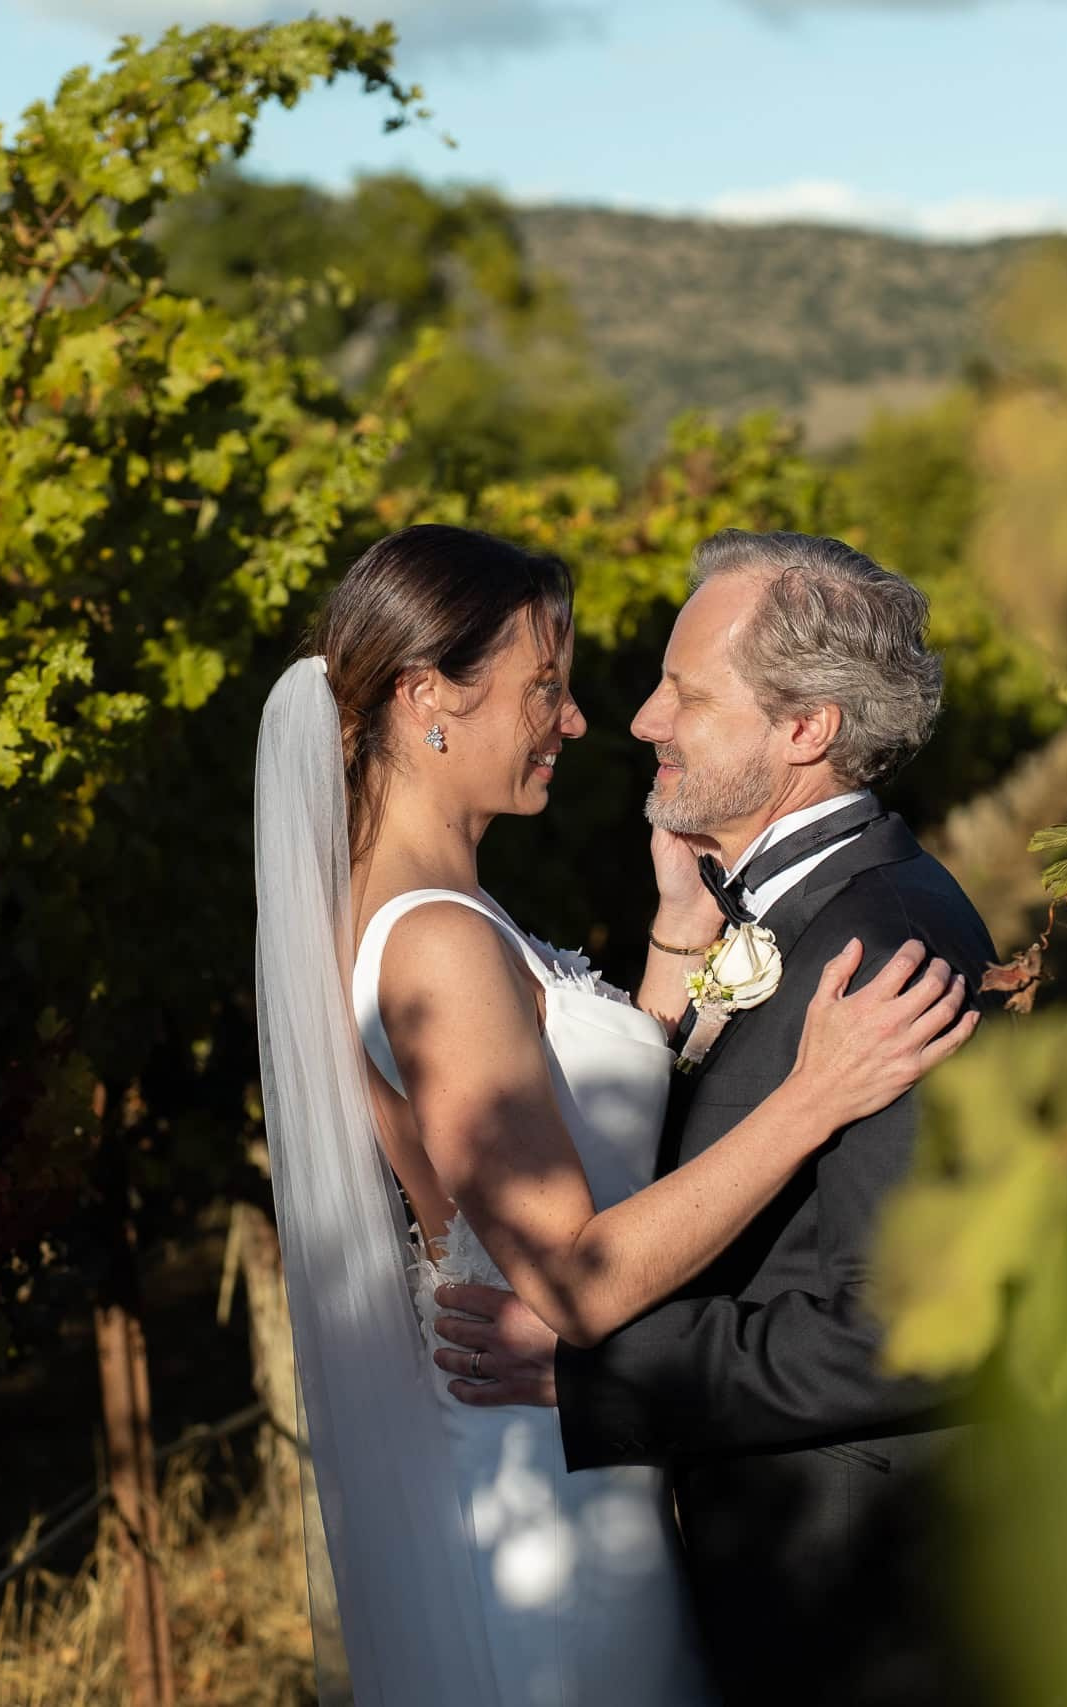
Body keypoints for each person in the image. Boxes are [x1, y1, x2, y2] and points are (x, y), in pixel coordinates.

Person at [252, 522, 980, 1706]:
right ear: (428, 694)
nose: (586, 720)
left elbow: (563, 1117)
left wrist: (673, 943)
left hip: (585, 1466)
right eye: (548, 686)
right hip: (549, 1491)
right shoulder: (433, 940)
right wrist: (810, 1097)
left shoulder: (433, 910)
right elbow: (576, 1280)